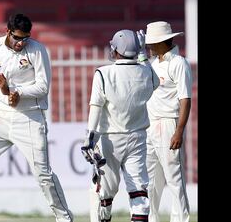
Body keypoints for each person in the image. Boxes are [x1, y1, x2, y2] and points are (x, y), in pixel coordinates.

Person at [0, 13, 74, 222]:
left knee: (43, 174)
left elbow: (43, 86)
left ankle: (64, 218)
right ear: (7, 32)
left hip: (30, 117)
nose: (21, 43)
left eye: (25, 38)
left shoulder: (37, 49)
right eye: (17, 38)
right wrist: (8, 96)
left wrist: (18, 93)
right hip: (0, 116)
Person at [81, 29, 159, 222]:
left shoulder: (103, 73)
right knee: (138, 190)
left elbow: (96, 107)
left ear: (116, 50)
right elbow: (155, 82)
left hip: (110, 139)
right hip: (138, 138)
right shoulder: (147, 71)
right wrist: (142, 54)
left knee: (105, 192)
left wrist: (89, 138)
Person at [137, 21, 192, 222]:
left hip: (169, 124)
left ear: (163, 41)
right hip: (150, 125)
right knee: (151, 180)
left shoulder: (179, 63)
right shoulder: (153, 62)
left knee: (174, 179)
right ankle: (150, 219)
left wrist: (179, 130)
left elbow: (185, 99)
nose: (149, 46)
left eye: (152, 43)